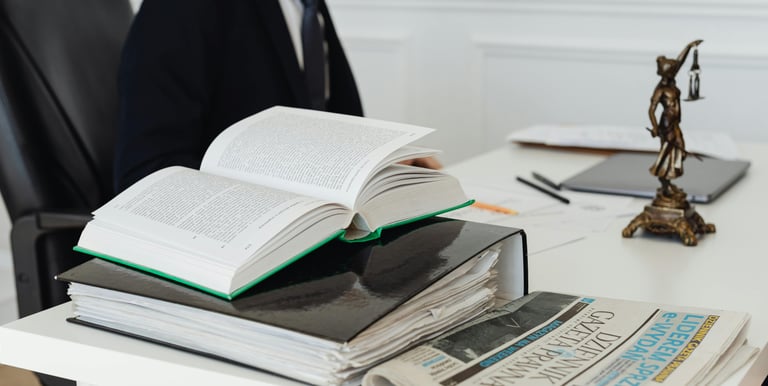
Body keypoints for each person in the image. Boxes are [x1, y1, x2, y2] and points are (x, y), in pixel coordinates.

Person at [114, 0, 438, 193]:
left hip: (313, 232)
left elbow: (328, 122)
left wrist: (380, 164)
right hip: (226, 249)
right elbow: (146, 172)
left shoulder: (307, 7)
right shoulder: (184, 8)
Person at [647, 39, 702, 195]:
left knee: (681, 152)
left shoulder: (671, 81)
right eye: (673, 70)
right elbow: (651, 109)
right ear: (667, 72)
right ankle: (665, 185)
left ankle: (668, 182)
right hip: (667, 125)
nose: (675, 70)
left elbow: (680, 61)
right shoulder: (661, 89)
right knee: (667, 154)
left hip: (676, 123)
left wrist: (689, 47)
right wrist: (655, 127)